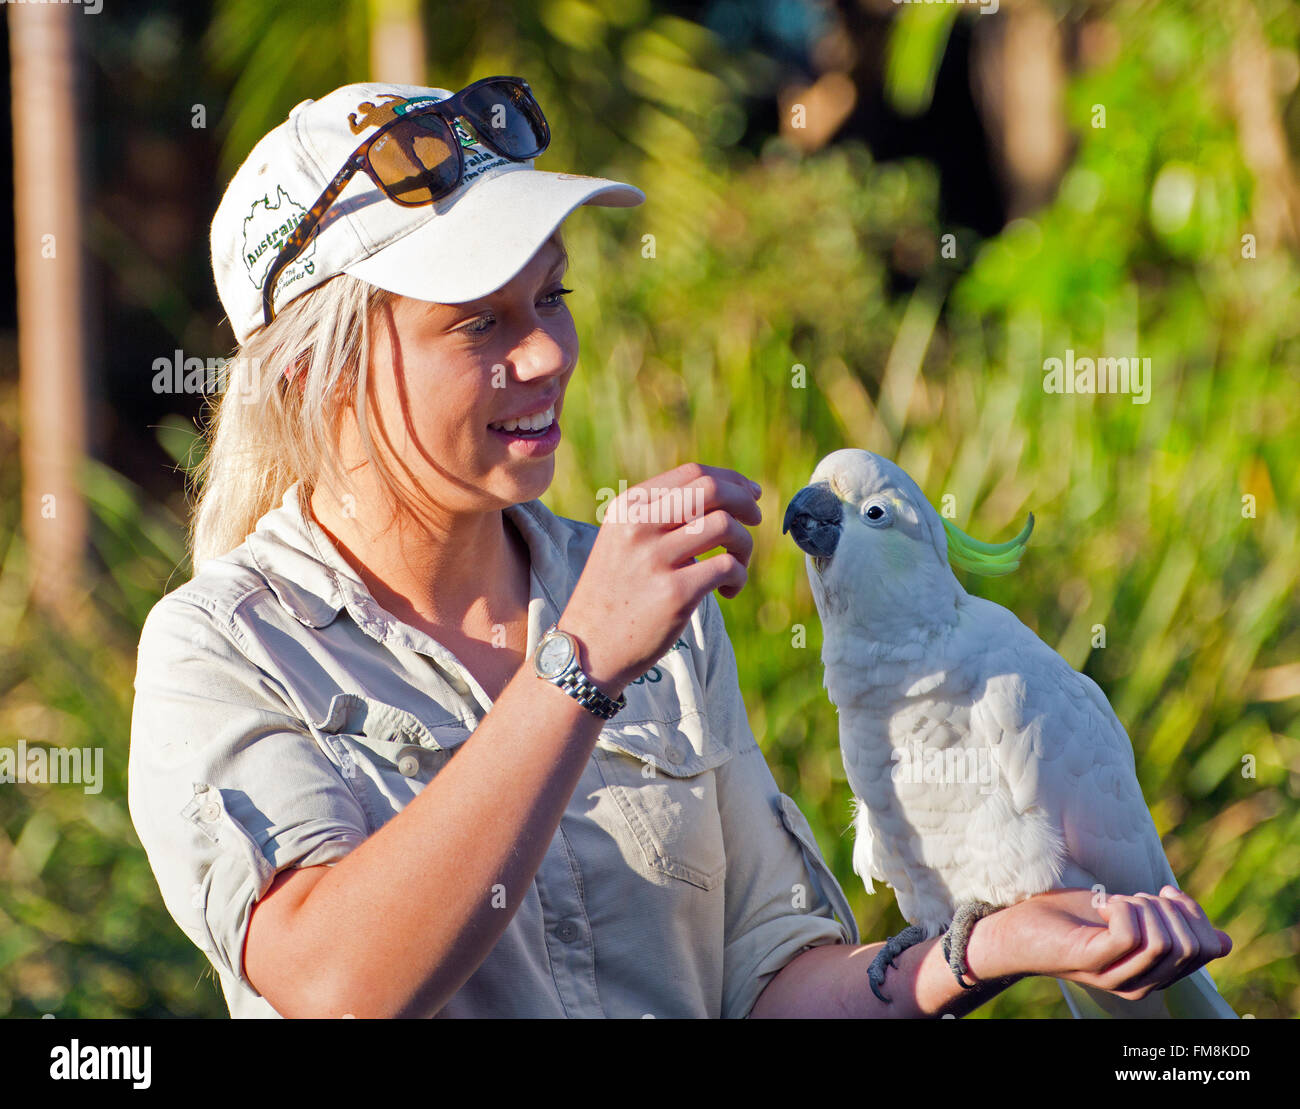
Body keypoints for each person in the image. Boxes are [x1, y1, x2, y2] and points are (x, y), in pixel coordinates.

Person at [128, 77, 1232, 1019]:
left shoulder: (651, 606)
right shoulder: (222, 650)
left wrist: (978, 946)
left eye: (552, 296)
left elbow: (770, 985)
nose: (546, 351)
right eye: (479, 322)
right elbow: (336, 983)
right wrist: (579, 665)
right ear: (317, 374)